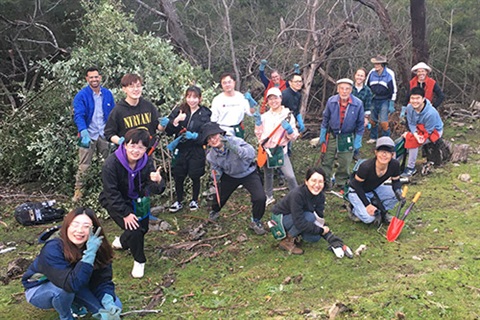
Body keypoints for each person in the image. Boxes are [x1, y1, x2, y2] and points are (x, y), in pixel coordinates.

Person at [22, 207, 122, 320]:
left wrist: (108, 302)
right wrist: (89, 254)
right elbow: (70, 284)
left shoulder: (96, 244)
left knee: (116, 307)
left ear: (94, 229)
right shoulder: (53, 248)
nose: (80, 230)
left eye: (86, 226)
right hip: (41, 288)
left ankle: (76, 305)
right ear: (67, 226)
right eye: (75, 224)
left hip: (77, 284)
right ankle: (66, 316)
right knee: (63, 292)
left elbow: (103, 280)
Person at [99, 128, 165, 278]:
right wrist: (126, 213)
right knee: (135, 229)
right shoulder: (112, 163)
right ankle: (139, 260)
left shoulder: (147, 162)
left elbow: (154, 187)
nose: (136, 150)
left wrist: (158, 181)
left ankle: (122, 241)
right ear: (125, 145)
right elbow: (111, 192)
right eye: (133, 145)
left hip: (138, 200)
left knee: (143, 228)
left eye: (141, 147)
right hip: (115, 200)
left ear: (146, 149)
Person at [200, 121, 267, 235]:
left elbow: (251, 154)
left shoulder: (235, 141)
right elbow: (216, 168)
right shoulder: (211, 155)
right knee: (219, 197)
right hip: (230, 175)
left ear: (220, 134)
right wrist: (215, 174)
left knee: (260, 198)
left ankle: (256, 220)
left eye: (214, 136)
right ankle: (214, 212)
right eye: (209, 139)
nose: (213, 140)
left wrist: (234, 148)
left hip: (248, 172)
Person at [270, 167, 353, 258]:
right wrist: (321, 230)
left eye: (320, 181)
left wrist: (330, 237)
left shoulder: (320, 196)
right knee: (309, 217)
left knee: (314, 237)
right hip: (280, 219)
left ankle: (297, 235)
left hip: (300, 217)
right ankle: (286, 241)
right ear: (306, 181)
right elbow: (300, 222)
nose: (317, 185)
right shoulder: (297, 195)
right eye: (313, 181)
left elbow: (319, 218)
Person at [159, 86, 212, 212]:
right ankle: (178, 201)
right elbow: (169, 131)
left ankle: (194, 200)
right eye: (189, 97)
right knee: (178, 175)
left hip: (196, 148)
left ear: (200, 98)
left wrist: (195, 136)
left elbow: (206, 134)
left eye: (195, 97)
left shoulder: (205, 113)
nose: (191, 100)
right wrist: (175, 121)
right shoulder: (180, 110)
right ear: (186, 97)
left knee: (195, 175)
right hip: (181, 148)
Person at [72, 67, 115, 202]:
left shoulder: (107, 94)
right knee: (84, 165)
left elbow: (113, 114)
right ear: (87, 79)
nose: (94, 79)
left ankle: (110, 189)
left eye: (96, 77)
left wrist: (114, 132)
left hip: (104, 133)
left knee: (109, 163)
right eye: (91, 77)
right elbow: (78, 115)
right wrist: (83, 131)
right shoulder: (82, 95)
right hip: (88, 134)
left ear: (100, 78)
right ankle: (79, 192)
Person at [254, 87, 299, 206]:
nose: (273, 101)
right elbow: (259, 135)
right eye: (270, 99)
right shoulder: (264, 116)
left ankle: (297, 197)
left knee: (290, 175)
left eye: (276, 98)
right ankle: (268, 196)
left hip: (280, 151)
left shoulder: (287, 115)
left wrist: (289, 131)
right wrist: (258, 125)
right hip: (267, 150)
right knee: (268, 174)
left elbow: (294, 136)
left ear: (281, 98)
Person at [346, 137, 405, 225]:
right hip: (356, 191)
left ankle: (382, 211)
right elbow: (356, 185)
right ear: (376, 153)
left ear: (392, 155)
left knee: (400, 193)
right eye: (381, 151)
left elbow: (396, 181)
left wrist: (398, 193)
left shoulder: (394, 165)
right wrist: (367, 205)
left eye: (388, 152)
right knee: (369, 219)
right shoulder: (366, 167)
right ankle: (353, 209)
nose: (384, 155)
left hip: (373, 189)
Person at [319, 78, 364, 191]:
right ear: (338, 89)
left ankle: (341, 182)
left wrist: (358, 139)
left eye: (347, 89)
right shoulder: (331, 101)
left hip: (347, 136)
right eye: (342, 88)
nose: (344, 91)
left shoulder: (357, 104)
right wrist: (323, 133)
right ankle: (326, 182)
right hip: (333, 134)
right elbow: (326, 118)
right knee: (327, 160)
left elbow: (360, 123)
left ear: (351, 90)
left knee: (345, 161)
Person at [104, 73, 160, 147]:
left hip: (147, 151)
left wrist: (163, 124)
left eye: (138, 86)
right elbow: (109, 133)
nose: (136, 89)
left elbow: (158, 127)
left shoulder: (148, 106)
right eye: (131, 86)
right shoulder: (118, 110)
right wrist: (120, 141)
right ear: (124, 89)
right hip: (127, 153)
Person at [401, 86, 444, 177]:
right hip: (419, 128)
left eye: (417, 98)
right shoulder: (409, 107)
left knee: (413, 141)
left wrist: (417, 138)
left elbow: (429, 130)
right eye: (412, 98)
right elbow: (411, 123)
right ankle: (395, 164)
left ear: (423, 99)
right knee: (405, 139)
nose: (415, 101)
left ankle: (411, 168)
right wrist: (415, 134)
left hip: (433, 131)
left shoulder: (431, 113)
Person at [210, 72, 254, 138]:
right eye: (224, 83)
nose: (227, 85)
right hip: (223, 131)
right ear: (221, 85)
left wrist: (251, 103)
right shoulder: (217, 100)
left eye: (229, 82)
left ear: (234, 82)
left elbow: (251, 113)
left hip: (238, 129)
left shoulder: (241, 97)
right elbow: (213, 119)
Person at [366, 55, 398, 143]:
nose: (376, 65)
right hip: (373, 99)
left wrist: (392, 102)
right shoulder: (371, 73)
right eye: (375, 64)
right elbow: (367, 86)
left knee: (384, 122)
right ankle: (373, 137)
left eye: (378, 64)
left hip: (385, 99)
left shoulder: (389, 73)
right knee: (372, 120)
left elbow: (393, 89)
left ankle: (386, 139)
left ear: (383, 64)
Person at [352, 68, 373, 159]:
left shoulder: (367, 90)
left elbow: (368, 105)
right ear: (355, 76)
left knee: (358, 134)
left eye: (362, 76)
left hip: (360, 115)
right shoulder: (349, 88)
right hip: (348, 114)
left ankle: (356, 152)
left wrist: (366, 118)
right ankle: (344, 151)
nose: (359, 77)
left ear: (364, 78)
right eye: (358, 75)